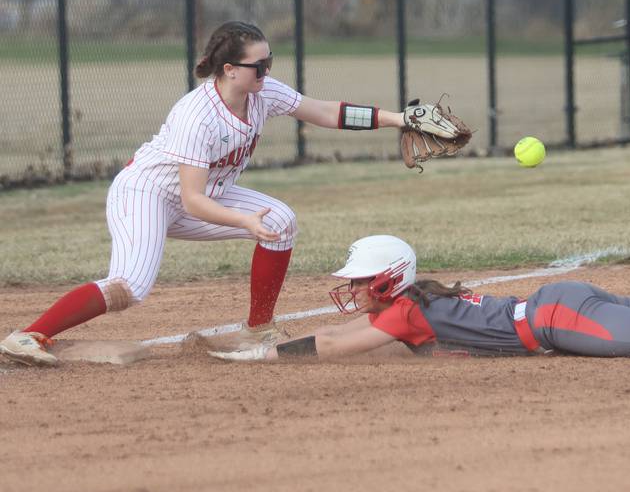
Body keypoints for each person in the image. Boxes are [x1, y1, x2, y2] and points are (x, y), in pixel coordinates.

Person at [0, 20, 416, 367]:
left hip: (201, 195)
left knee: (281, 221)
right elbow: (193, 200)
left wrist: (398, 119)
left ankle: (257, 328)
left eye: (269, 62)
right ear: (230, 69)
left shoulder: (262, 93)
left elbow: (326, 111)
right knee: (129, 286)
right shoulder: (197, 117)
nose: (267, 72)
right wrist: (243, 220)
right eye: (259, 65)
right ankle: (28, 336)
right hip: (147, 194)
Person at [209, 192, 630, 362]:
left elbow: (336, 343)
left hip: (554, 318)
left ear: (390, 280)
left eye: (364, 280)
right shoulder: (415, 303)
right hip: (562, 303)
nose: (356, 289)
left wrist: (262, 355)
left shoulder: (405, 310)